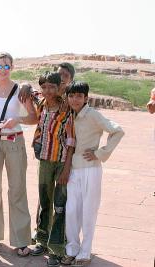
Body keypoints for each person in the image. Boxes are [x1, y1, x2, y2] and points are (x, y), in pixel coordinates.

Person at [0, 53, 38, 257]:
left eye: (6, 66)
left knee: (17, 190)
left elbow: (33, 117)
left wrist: (17, 119)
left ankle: (21, 239)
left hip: (14, 141)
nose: (3, 69)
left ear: (12, 67)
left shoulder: (20, 90)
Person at [62, 81, 124, 266]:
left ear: (86, 98)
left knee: (89, 212)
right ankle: (72, 249)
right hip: (74, 169)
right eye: (71, 96)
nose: (75, 99)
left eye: (79, 96)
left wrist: (100, 153)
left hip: (91, 169)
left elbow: (118, 131)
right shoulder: (70, 115)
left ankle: (84, 253)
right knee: (72, 211)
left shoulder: (93, 115)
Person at [30, 72, 75, 267]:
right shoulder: (41, 105)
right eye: (44, 87)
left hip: (61, 161)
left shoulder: (66, 109)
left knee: (59, 205)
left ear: (59, 88)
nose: (47, 91)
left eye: (52, 87)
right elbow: (29, 92)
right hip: (45, 161)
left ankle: (57, 248)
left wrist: (66, 169)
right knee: (45, 201)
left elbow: (72, 141)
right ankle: (42, 240)